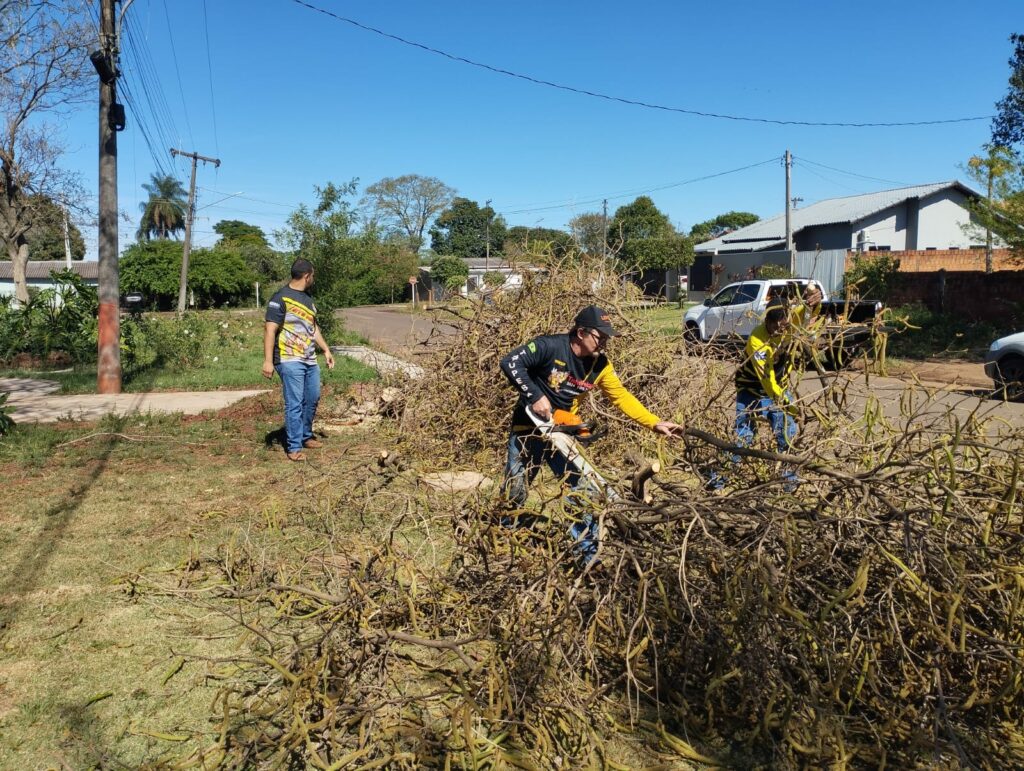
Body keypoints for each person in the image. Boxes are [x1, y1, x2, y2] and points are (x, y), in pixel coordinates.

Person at [499, 305, 685, 563]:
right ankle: (501, 536)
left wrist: (654, 423)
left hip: (561, 434)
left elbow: (620, 397)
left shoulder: (601, 365)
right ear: (581, 332)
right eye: (601, 336)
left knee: (583, 490)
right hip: (528, 429)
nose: (605, 343)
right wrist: (535, 395)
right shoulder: (550, 346)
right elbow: (511, 362)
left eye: (608, 338)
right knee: (516, 489)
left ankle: (586, 553)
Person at [710, 285, 822, 491]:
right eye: (774, 325)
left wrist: (814, 299)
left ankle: (789, 484)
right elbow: (767, 381)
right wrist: (792, 407)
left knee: (786, 434)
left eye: (784, 324)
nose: (780, 329)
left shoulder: (791, 323)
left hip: (780, 388)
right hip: (752, 390)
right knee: (744, 438)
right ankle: (717, 481)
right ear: (767, 322)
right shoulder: (757, 339)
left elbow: (808, 311)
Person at [262, 259, 335, 461]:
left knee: (312, 398)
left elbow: (313, 328)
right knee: (295, 403)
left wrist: (326, 349)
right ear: (307, 276)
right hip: (288, 358)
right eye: (313, 275)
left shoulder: (308, 299)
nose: (313, 278)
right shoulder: (281, 298)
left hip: (309, 358)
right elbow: (270, 329)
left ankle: (305, 436)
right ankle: (293, 447)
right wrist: (268, 361)